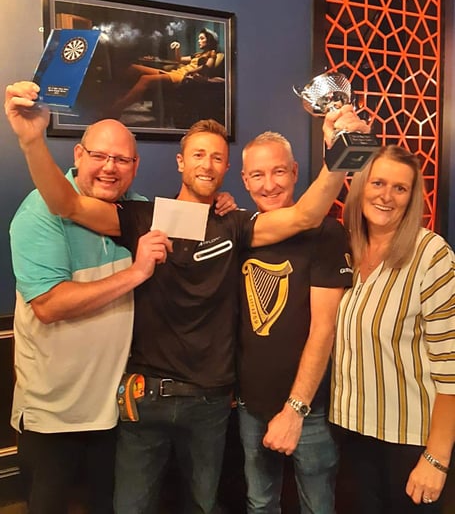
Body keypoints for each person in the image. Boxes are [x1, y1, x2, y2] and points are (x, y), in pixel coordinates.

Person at [5, 80, 369, 514]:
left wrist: (342, 151)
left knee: (202, 506)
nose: (206, 164)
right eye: (198, 154)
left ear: (226, 167)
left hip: (210, 402)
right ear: (180, 162)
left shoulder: (235, 224)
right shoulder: (146, 215)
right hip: (143, 398)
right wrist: (32, 140)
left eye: (216, 157)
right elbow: (67, 204)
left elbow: (307, 215)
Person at [8, 117, 173, 514]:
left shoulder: (138, 213)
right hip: (53, 416)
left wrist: (220, 202)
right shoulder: (39, 212)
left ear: (135, 165)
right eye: (99, 156)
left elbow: (199, 223)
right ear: (78, 155)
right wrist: (135, 273)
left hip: (116, 414)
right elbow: (49, 306)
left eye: (122, 159)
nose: (110, 168)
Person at [330, 145, 455, 513]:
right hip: (353, 432)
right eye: (378, 183)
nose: (386, 196)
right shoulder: (347, 248)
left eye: (400, 188)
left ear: (411, 198)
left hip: (411, 443)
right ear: (360, 186)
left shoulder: (431, 255)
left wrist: (436, 457)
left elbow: (451, 367)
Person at [237, 131, 352, 514]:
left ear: (296, 172)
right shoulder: (241, 231)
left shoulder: (326, 233)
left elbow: (324, 328)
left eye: (279, 171)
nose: (269, 184)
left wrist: (295, 409)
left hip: (310, 409)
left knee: (317, 506)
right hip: (250, 406)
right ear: (244, 180)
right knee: (259, 504)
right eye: (257, 175)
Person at [112, 27, 219, 116]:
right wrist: (177, 48)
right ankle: (120, 96)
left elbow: (207, 67)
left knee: (145, 79)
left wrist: (190, 72)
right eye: (199, 38)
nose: (199, 41)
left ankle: (118, 107)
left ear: (209, 40)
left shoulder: (212, 53)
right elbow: (179, 60)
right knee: (134, 68)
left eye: (202, 38)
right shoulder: (197, 54)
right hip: (176, 73)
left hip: (181, 77)